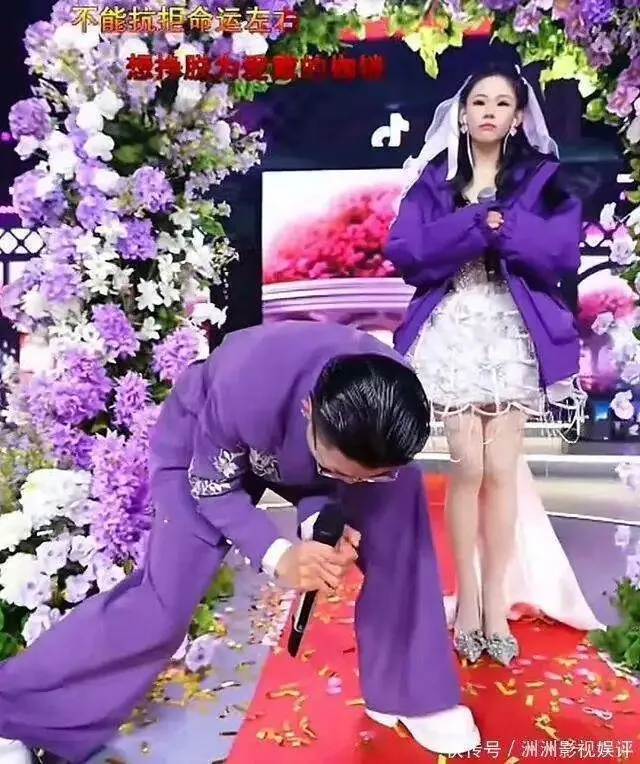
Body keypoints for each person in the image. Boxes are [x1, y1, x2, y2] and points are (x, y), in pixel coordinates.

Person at [0, 321, 481, 764]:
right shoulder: (246, 383)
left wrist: (328, 520)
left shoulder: (393, 408)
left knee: (401, 523)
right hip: (206, 447)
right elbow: (213, 488)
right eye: (340, 472)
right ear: (308, 410)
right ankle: (15, 715)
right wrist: (280, 555)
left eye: (367, 477)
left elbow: (343, 479)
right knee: (164, 601)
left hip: (340, 449)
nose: (354, 484)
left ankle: (415, 696)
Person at [384, 62, 602, 669]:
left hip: (513, 330)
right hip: (454, 328)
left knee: (502, 470)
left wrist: (505, 228)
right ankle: (469, 599)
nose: (488, 112)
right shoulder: (434, 179)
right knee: (469, 468)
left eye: (501, 103)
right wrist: (479, 221)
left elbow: (559, 253)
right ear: (462, 112)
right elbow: (406, 251)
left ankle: (495, 603)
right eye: (479, 101)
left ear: (517, 116)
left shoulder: (543, 178)